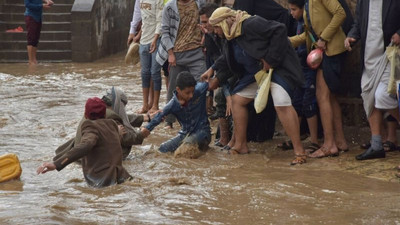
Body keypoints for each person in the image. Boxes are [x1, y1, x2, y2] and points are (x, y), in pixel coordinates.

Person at [202, 7, 306, 165]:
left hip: (277, 68)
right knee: (237, 100)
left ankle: (300, 152)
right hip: (256, 73)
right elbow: (227, 57)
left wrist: (270, 59)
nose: (215, 32)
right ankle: (241, 145)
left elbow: (280, 30)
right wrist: (212, 69)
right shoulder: (230, 36)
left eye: (216, 27)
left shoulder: (250, 24)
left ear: (224, 23)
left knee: (281, 103)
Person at [290, 0, 349, 158]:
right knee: (330, 97)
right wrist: (290, 41)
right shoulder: (308, 2)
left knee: (321, 96)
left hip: (331, 51)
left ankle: (329, 144)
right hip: (326, 51)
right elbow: (309, 34)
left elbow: (340, 13)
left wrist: (324, 38)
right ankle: (340, 141)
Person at [37, 97, 139, 188]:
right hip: (121, 175)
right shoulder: (112, 124)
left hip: (101, 180)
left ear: (86, 114)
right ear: (104, 113)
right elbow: (110, 145)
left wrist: (56, 164)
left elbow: (85, 145)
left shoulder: (89, 126)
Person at [345, 0, 400, 160]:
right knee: (369, 97)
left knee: (383, 97)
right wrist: (351, 36)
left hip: (391, 57)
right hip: (369, 58)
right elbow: (358, 22)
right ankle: (376, 145)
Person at [53, 87, 154, 161]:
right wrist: (141, 134)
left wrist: (144, 117)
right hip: (93, 160)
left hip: (78, 154)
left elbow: (122, 118)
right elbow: (127, 138)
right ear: (118, 104)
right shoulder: (111, 117)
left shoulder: (96, 109)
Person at [156, 0, 207, 128]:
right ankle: (169, 120)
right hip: (177, 53)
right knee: (174, 88)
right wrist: (171, 54)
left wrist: (204, 38)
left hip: (197, 52)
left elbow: (207, 23)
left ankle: (198, 121)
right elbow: (165, 32)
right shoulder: (169, 7)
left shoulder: (200, 3)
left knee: (200, 87)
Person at [142, 71, 211, 153]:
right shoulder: (172, 104)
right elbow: (159, 116)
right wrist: (147, 129)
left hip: (203, 132)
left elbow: (215, 81)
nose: (191, 95)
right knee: (162, 149)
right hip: (185, 134)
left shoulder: (200, 89)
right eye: (187, 93)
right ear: (178, 89)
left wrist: (212, 71)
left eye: (192, 91)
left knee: (186, 147)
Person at [287, 0, 319, 153]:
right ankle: (295, 138)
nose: (291, 13)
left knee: (308, 103)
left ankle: (314, 140)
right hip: (300, 67)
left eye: (293, 9)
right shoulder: (299, 22)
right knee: (296, 103)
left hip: (309, 67)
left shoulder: (307, 21)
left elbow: (307, 39)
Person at [24, 0, 53, 65]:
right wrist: (41, 6)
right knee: (31, 38)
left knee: (35, 39)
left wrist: (47, 1)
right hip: (31, 16)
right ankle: (30, 60)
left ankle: (34, 59)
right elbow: (28, 5)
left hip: (38, 16)